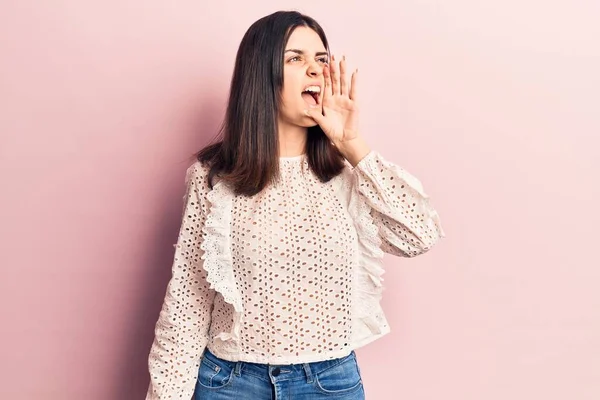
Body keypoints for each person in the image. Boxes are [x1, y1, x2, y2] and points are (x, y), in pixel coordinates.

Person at [145, 10, 445, 400]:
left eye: (322, 59)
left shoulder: (347, 174)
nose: (316, 70)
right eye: (296, 58)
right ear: (261, 74)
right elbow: (187, 301)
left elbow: (420, 236)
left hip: (329, 383)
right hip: (230, 384)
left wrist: (351, 143)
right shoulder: (213, 178)